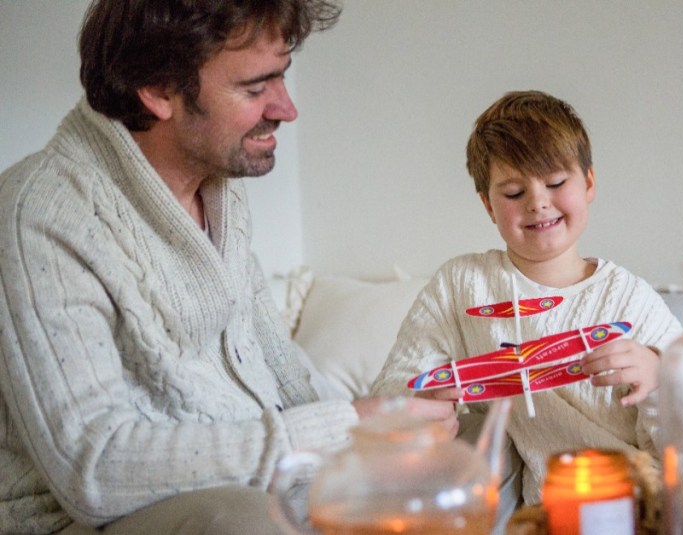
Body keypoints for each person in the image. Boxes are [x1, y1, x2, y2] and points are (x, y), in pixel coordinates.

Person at [0, 2, 457, 534]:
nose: (286, 109)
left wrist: (382, 429)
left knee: (461, 450)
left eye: (282, 78)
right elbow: (94, 468)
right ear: (158, 90)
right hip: (104, 519)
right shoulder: (41, 214)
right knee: (244, 524)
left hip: (254, 483)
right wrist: (345, 426)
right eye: (255, 88)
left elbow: (278, 365)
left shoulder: (216, 184)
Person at [369, 90, 683, 510]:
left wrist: (658, 378)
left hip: (642, 505)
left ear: (588, 183)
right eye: (514, 193)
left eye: (556, 183)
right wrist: (420, 408)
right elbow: (394, 392)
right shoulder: (460, 286)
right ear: (488, 206)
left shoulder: (632, 300)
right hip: (544, 513)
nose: (538, 202)